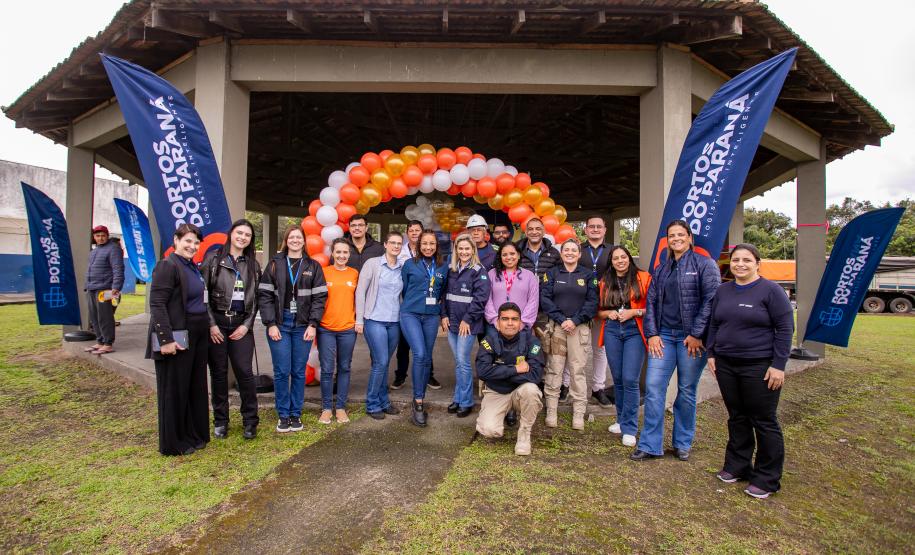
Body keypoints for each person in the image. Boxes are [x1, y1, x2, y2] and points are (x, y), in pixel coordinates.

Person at [706, 243, 793, 499]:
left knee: (763, 420)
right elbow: (714, 323)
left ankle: (766, 479)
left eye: (746, 260)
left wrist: (778, 365)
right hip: (726, 364)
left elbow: (785, 329)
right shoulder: (723, 291)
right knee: (737, 416)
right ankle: (737, 465)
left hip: (759, 365)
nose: (740, 264)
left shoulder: (771, 291)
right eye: (735, 260)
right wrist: (711, 353)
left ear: (757, 263)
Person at [631, 219, 721, 461]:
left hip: (691, 341)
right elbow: (650, 304)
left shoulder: (705, 265)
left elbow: (711, 300)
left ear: (690, 238)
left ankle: (682, 443)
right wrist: (652, 334)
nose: (676, 239)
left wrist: (696, 334)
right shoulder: (662, 269)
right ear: (667, 240)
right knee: (653, 388)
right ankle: (650, 444)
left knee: (687, 390)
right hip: (664, 337)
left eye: (681, 235)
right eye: (672, 236)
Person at [146, 224, 209, 456]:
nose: (192, 246)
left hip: (197, 333)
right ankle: (174, 442)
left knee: (193, 386)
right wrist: (166, 339)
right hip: (177, 334)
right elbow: (157, 304)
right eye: (188, 241)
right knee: (175, 388)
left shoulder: (192, 267)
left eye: (196, 242)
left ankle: (192, 433)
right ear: (176, 240)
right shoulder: (167, 266)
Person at [259, 226, 327, 433]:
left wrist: (313, 324)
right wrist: (270, 324)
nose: (296, 240)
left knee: (298, 372)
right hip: (279, 323)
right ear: (286, 240)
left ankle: (296, 413)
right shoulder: (274, 264)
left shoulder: (313, 266)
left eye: (299, 237)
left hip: (303, 326)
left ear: (304, 241)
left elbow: (320, 298)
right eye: (292, 237)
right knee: (281, 372)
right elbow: (265, 296)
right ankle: (283, 414)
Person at [201, 219, 261, 440]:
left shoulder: (253, 265)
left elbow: (255, 300)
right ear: (231, 234)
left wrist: (247, 326)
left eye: (247, 235)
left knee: (245, 373)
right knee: (218, 374)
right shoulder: (214, 259)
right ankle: (221, 421)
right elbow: (203, 295)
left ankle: (250, 421)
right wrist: (211, 325)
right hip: (217, 323)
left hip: (240, 325)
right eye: (239, 233)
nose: (243, 237)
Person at [539, 239, 598, 430]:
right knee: (554, 368)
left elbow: (592, 302)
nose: (570, 253)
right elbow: (545, 298)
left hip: (578, 328)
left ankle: (579, 413)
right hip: (557, 327)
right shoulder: (552, 273)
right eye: (566, 250)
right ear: (561, 253)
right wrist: (561, 319)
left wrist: (575, 320)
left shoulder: (588, 275)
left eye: (574, 250)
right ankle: (551, 411)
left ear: (579, 254)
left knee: (577, 370)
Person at [475, 302, 545, 456]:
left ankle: (524, 435)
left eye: (514, 319)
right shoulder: (489, 341)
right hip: (497, 392)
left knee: (531, 390)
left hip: (520, 391)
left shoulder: (531, 342)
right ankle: (503, 412)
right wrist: (515, 369)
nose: (510, 323)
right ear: (498, 323)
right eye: (505, 319)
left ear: (520, 323)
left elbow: (535, 375)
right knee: (489, 430)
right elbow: (482, 371)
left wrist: (499, 372)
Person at [597, 246, 650, 447]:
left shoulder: (643, 278)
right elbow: (599, 311)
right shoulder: (605, 281)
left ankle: (630, 427)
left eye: (623, 257)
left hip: (634, 330)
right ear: (611, 262)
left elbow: (652, 307)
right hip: (612, 330)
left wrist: (634, 313)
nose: (620, 260)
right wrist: (608, 314)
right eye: (615, 258)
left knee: (630, 379)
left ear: (629, 258)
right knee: (617, 378)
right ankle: (620, 420)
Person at [400, 230, 448, 427]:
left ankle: (420, 395)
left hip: (431, 316)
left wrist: (442, 314)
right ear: (419, 245)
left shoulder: (443, 266)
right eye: (425, 244)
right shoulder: (409, 264)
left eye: (432, 244)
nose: (428, 247)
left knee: (427, 356)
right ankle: (418, 401)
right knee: (419, 354)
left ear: (437, 246)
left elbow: (443, 292)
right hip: (410, 313)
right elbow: (403, 289)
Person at [441, 233, 491, 418]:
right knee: (459, 362)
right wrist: (444, 315)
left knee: (463, 362)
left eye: (467, 248)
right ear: (456, 250)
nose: (463, 252)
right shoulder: (452, 268)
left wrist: (467, 319)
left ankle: (466, 401)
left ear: (473, 250)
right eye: (460, 248)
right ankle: (458, 398)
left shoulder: (479, 270)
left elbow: (480, 299)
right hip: (452, 322)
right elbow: (445, 293)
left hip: (467, 325)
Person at [357, 232, 405, 419]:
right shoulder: (373, 264)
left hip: (394, 322)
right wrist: (359, 320)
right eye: (392, 242)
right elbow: (360, 292)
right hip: (374, 319)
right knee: (381, 361)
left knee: (384, 363)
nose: (395, 246)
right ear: (385, 244)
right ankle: (372, 404)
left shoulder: (402, 267)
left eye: (399, 243)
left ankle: (384, 402)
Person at [317, 238, 359, 425]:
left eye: (345, 252)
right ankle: (326, 408)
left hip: (347, 329)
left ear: (349, 255)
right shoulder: (323, 273)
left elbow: (360, 300)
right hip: (326, 328)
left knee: (344, 367)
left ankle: (340, 407)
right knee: (327, 370)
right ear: (332, 253)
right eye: (338, 252)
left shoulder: (354, 274)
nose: (342, 255)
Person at [394, 220, 440, 390]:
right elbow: (404, 286)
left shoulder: (439, 263)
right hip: (409, 308)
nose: (414, 233)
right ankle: (402, 377)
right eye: (411, 230)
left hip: (429, 311)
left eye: (417, 230)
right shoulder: (405, 257)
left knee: (425, 351)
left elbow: (440, 288)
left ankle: (427, 377)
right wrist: (412, 301)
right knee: (408, 347)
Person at [582, 215, 614, 407]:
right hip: (580, 305)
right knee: (574, 350)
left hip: (603, 307)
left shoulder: (613, 251)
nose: (595, 229)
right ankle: (566, 386)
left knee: (599, 349)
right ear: (585, 230)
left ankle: (597, 388)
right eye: (591, 226)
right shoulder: (577, 250)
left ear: (604, 230)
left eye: (598, 227)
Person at [84, 225, 124, 355]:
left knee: (105, 317)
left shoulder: (114, 249)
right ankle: (100, 341)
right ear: (94, 237)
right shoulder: (94, 251)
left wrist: (116, 288)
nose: (100, 238)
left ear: (107, 236)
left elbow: (118, 269)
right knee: (94, 317)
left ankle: (108, 343)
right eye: (97, 236)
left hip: (105, 290)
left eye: (103, 236)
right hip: (92, 288)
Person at [484, 242, 539, 330]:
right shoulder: (491, 274)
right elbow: (487, 299)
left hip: (521, 326)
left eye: (512, 254)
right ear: (500, 257)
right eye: (504, 255)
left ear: (519, 255)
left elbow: (533, 302)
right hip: (496, 326)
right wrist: (495, 320)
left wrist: (522, 322)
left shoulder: (529, 276)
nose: (509, 257)